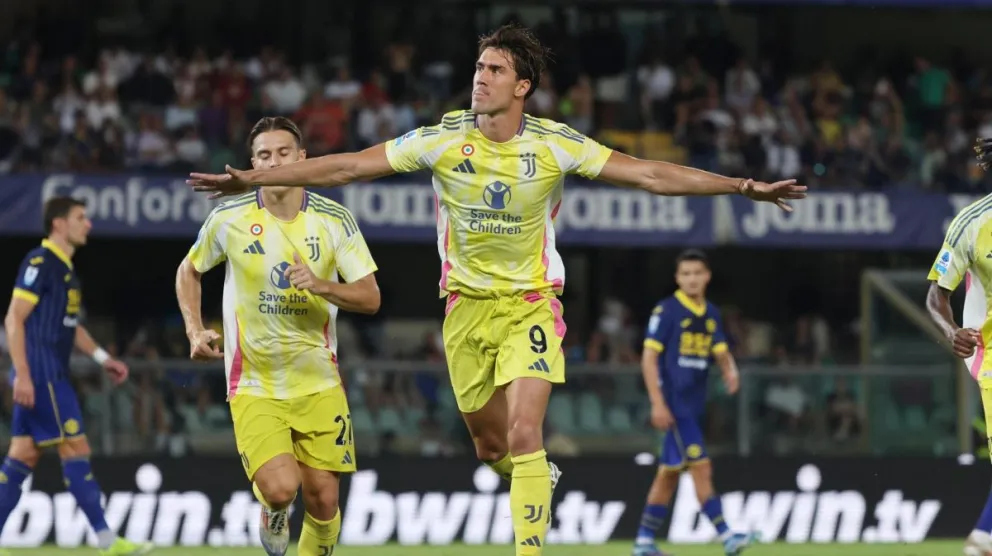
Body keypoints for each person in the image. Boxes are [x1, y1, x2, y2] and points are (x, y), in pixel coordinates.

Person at [186, 25, 805, 555]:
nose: (479, 78)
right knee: (491, 447)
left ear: (521, 87)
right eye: (479, 67)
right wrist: (253, 180)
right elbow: (346, 165)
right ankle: (532, 475)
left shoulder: (555, 145)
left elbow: (648, 173)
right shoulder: (443, 139)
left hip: (533, 301)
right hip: (464, 310)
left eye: (494, 69)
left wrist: (739, 185)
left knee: (525, 432)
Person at [175, 117, 380, 556]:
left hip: (320, 382)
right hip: (254, 383)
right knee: (283, 488)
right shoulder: (229, 217)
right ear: (253, 164)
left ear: (302, 158)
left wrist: (323, 285)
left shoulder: (334, 219)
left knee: (325, 502)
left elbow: (370, 297)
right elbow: (189, 269)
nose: (274, 161)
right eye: (264, 155)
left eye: (284, 153)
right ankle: (272, 509)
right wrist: (194, 328)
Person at [1, 196, 152, 555]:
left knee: (22, 456)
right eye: (81, 218)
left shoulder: (67, 271)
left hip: (46, 374)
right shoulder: (41, 262)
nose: (89, 224)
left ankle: (105, 539)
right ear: (58, 223)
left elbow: (73, 328)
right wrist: (23, 374)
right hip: (43, 376)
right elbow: (13, 319)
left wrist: (103, 358)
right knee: (76, 448)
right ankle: (106, 539)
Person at [633, 250, 754, 556]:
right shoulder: (667, 311)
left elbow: (720, 349)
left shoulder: (711, 312)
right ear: (677, 278)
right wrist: (657, 403)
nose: (691, 279)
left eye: (696, 273)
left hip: (694, 405)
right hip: (674, 406)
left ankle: (644, 541)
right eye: (685, 274)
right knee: (701, 467)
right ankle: (727, 535)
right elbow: (649, 358)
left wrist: (729, 369)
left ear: (707, 276)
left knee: (669, 473)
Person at [926, 141, 992, 556]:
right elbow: (937, 296)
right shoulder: (972, 222)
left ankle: (983, 539)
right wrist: (951, 331)